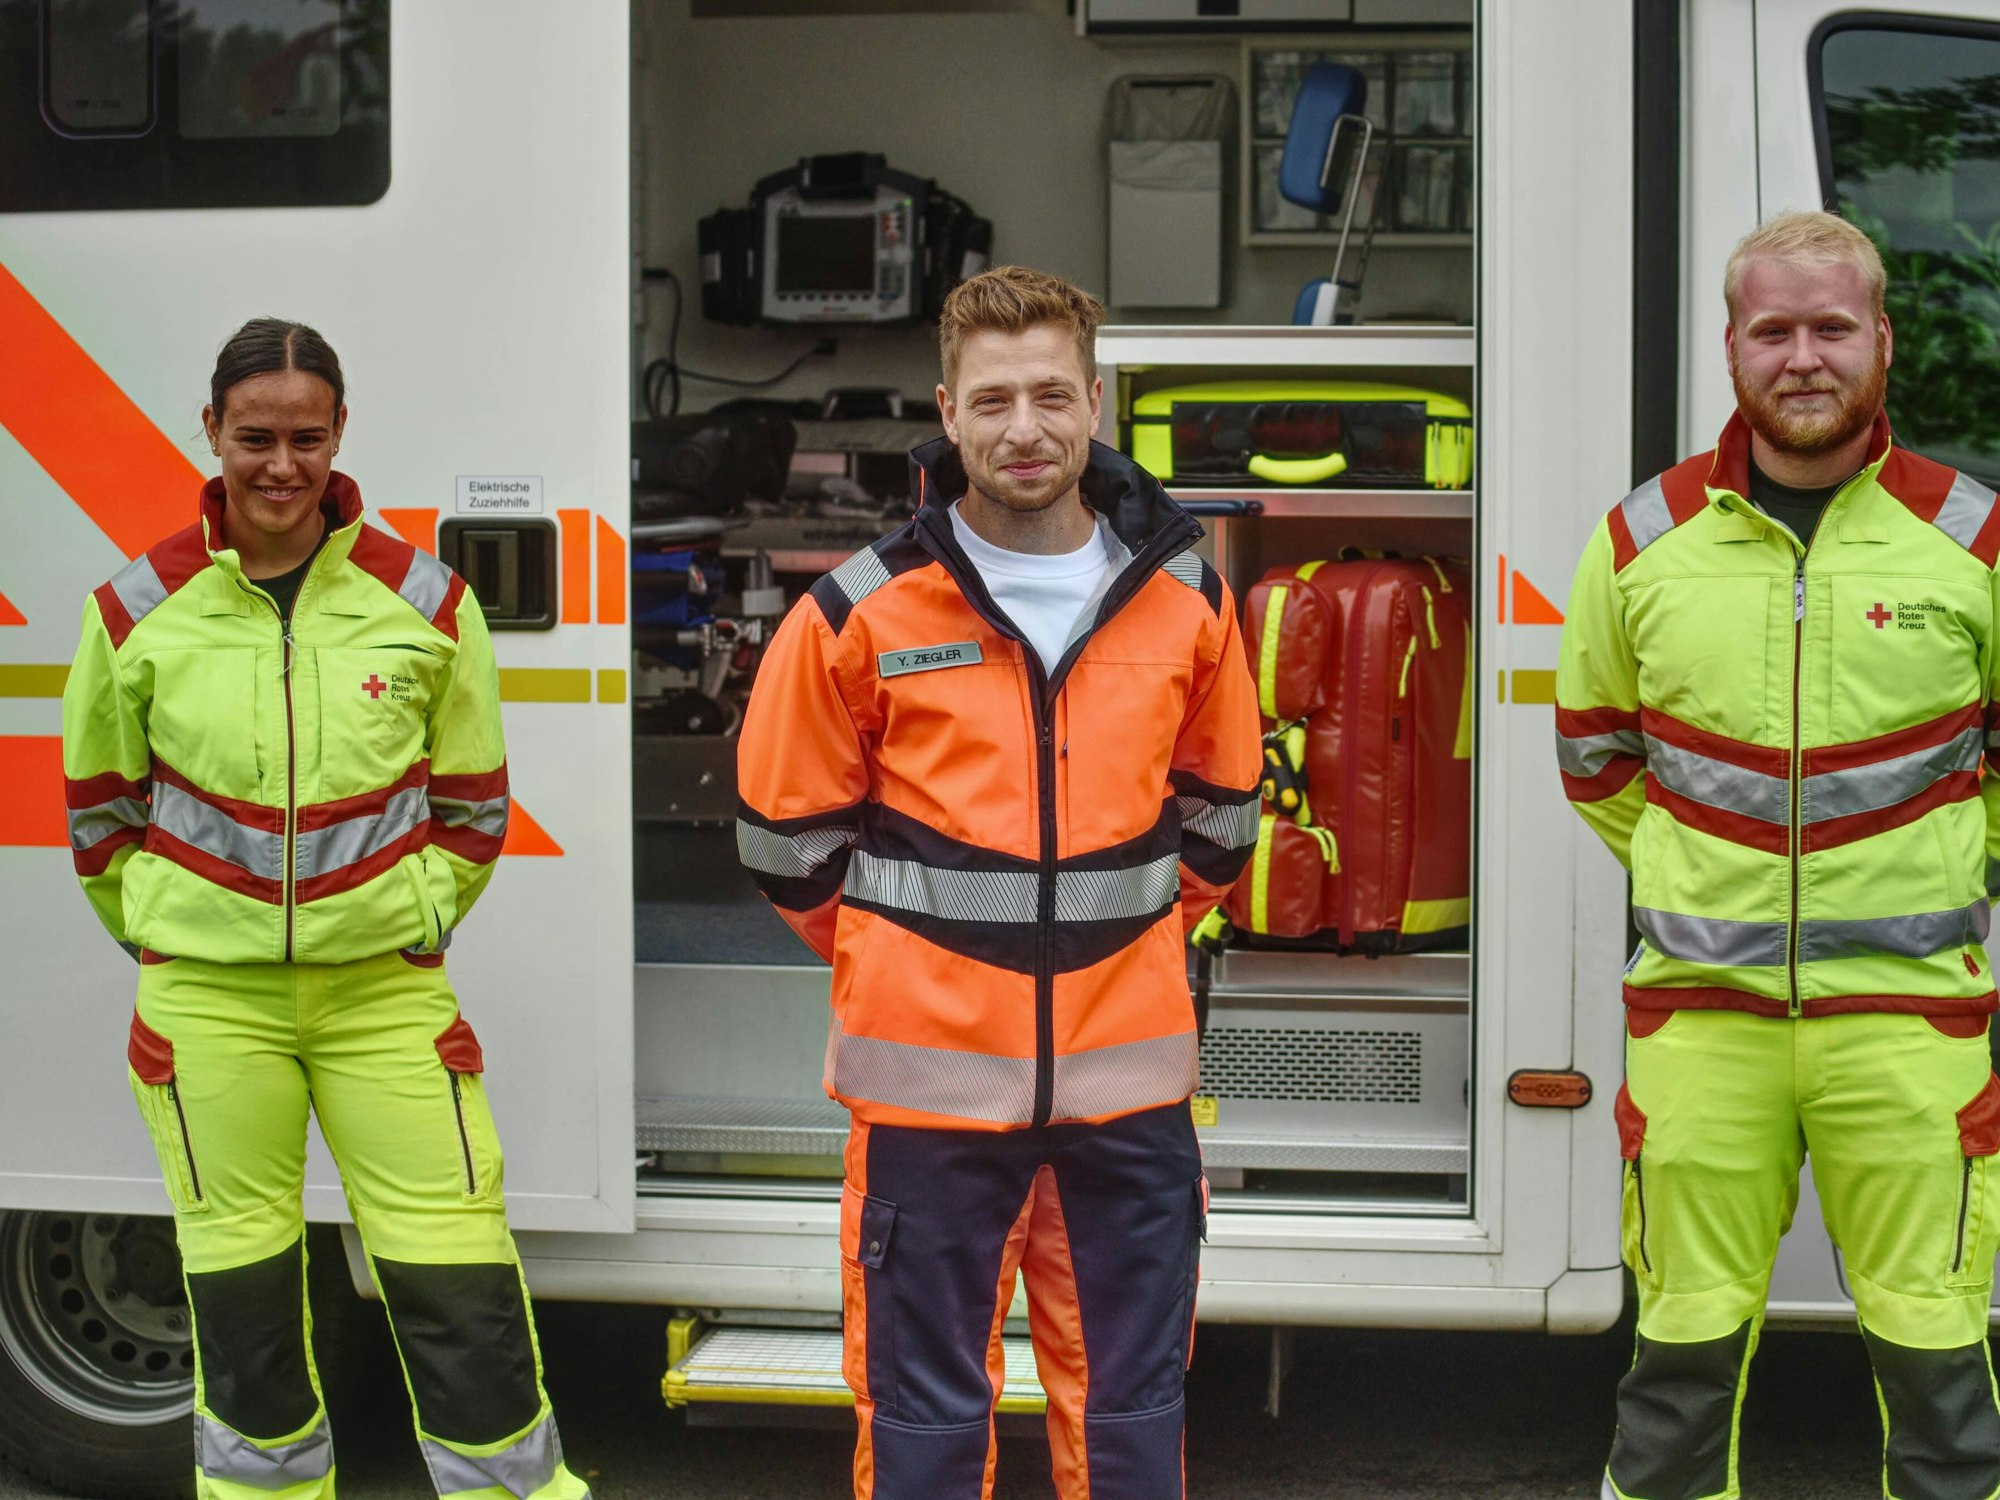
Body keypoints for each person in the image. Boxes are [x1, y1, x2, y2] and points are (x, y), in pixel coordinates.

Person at [735, 265, 1262, 1500]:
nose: (1023, 429)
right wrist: (915, 960)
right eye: (991, 401)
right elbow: (783, 845)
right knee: (920, 1431)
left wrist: (1106, 955)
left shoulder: (1185, 600)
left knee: (1133, 1423)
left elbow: (1221, 822)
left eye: (1049, 396)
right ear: (947, 412)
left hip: (1126, 1102)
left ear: (1094, 400)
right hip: (925, 1106)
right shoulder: (856, 615)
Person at [60, 318, 591, 1500]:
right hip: (208, 1006)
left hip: (383, 996)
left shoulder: (426, 603)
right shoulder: (134, 610)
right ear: (211, 431)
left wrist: (410, 913)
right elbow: (99, 816)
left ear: (340, 432)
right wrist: (168, 933)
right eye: (255, 437)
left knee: (461, 1290)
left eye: (305, 437)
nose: (281, 465)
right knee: (242, 1314)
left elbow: (471, 807)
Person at [1559, 210, 2000, 1500]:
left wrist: (1933, 875)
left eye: (1828, 327)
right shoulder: (1641, 537)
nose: (1800, 357)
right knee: (1676, 1366)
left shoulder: (1971, 538)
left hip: (1908, 1024)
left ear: (1880, 340)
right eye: (1771, 330)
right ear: (1730, 347)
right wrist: (1705, 884)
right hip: (1702, 1020)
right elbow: (1594, 758)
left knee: (1938, 1364)